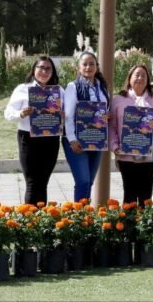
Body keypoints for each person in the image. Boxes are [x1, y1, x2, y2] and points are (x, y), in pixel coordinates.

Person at [108, 64, 153, 206]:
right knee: (129, 195)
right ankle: (127, 228)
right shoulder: (119, 100)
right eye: (137, 74)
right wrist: (115, 146)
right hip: (126, 156)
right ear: (129, 78)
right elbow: (111, 127)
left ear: (148, 80)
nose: (140, 78)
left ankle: (144, 227)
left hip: (150, 157)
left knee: (145, 197)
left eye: (144, 75)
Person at [4, 56, 63, 205]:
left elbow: (68, 115)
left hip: (51, 140)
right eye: (40, 67)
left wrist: (63, 114)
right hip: (28, 139)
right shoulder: (22, 89)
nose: (44, 71)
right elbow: (8, 113)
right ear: (34, 70)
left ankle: (40, 221)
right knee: (32, 182)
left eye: (48, 68)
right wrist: (21, 113)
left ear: (53, 72)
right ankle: (29, 221)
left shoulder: (59, 91)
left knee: (43, 182)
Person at [64, 52, 110, 202]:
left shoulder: (102, 87)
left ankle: (85, 219)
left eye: (92, 64)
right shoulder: (73, 86)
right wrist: (72, 139)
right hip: (77, 140)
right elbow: (68, 116)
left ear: (97, 67)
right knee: (83, 181)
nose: (88, 67)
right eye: (84, 64)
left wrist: (106, 116)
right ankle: (78, 218)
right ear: (78, 67)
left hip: (96, 140)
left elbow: (104, 111)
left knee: (89, 182)